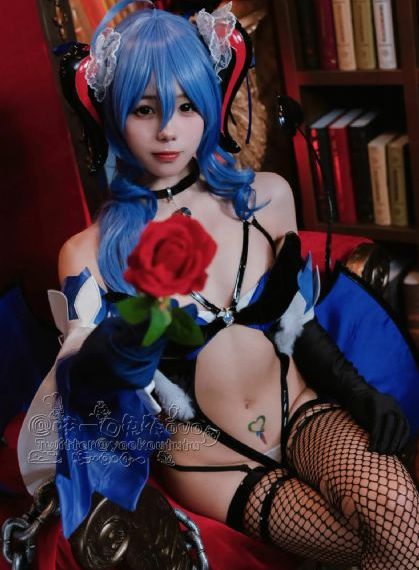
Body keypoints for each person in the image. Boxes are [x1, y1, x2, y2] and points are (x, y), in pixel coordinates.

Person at [17, 2, 419, 568]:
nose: (167, 129)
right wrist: (136, 329)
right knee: (367, 540)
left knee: (399, 510)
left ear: (210, 102)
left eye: (186, 106)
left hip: (299, 410)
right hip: (207, 457)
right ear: (112, 113)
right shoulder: (89, 252)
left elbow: (296, 324)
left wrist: (358, 395)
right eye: (144, 109)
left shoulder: (267, 198)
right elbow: (93, 401)